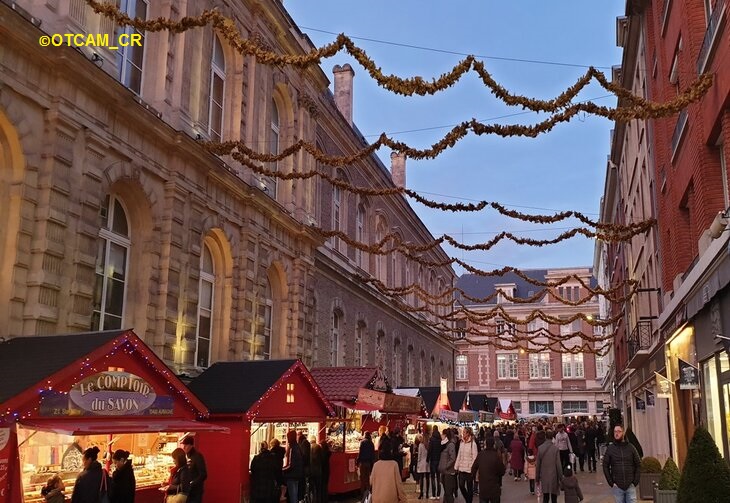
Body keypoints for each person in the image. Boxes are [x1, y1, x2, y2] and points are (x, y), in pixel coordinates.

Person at [602, 424, 640, 503]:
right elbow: (605, 465)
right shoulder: (611, 449)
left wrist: (635, 481)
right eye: (615, 431)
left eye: (619, 431)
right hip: (618, 486)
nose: (617, 433)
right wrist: (611, 482)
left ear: (623, 433)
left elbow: (638, 464)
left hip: (630, 485)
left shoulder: (631, 447)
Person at [470, 436, 505, 503]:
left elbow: (474, 467)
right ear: (494, 444)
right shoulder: (496, 456)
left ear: (485, 444)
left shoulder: (481, 455)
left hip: (483, 487)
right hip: (494, 487)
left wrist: (474, 477)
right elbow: (502, 471)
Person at [536, 430, 562, 503]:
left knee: (545, 497)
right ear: (552, 437)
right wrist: (561, 478)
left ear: (545, 437)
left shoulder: (540, 448)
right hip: (554, 476)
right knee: (554, 498)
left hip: (544, 476)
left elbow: (538, 465)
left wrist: (537, 478)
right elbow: (558, 465)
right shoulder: (555, 449)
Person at [454, 426, 478, 503]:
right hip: (461, 468)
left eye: (464, 432)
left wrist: (473, 469)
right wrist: (456, 466)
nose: (462, 433)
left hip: (469, 470)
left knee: (469, 487)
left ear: (468, 434)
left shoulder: (473, 444)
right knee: (461, 486)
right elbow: (459, 455)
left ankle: (469, 501)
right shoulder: (461, 443)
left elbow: (475, 458)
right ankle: (468, 499)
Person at [181, 436, 207, 503]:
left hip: (195, 491)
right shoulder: (186, 456)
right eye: (183, 445)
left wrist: (192, 483)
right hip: (187, 491)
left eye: (186, 445)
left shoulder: (197, 456)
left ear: (191, 445)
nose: (184, 447)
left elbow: (203, 474)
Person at [282, 430, 303, 503]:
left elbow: (292, 465)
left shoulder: (293, 448)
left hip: (292, 475)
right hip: (297, 474)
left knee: (293, 496)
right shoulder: (297, 447)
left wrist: (283, 470)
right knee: (295, 495)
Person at [437, 428, 457, 503]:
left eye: (443, 434)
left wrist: (446, 466)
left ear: (446, 435)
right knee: (446, 492)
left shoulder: (451, 445)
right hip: (444, 472)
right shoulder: (444, 444)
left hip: (449, 472)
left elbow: (452, 458)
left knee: (448, 493)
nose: (441, 436)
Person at [356, 431, 375, 498]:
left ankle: (362, 494)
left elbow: (360, 453)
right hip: (369, 463)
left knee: (362, 479)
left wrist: (357, 462)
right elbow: (373, 454)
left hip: (363, 463)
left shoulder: (363, 442)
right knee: (367, 478)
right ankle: (368, 493)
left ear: (364, 435)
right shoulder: (371, 443)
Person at [427, 427, 442, 500]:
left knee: (433, 478)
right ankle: (438, 494)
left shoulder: (432, 440)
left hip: (433, 461)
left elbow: (430, 450)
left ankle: (433, 494)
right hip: (439, 460)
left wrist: (427, 459)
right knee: (438, 478)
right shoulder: (440, 440)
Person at [416, 434, 430, 499]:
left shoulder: (421, 445)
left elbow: (419, 455)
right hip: (428, 463)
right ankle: (427, 493)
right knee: (427, 479)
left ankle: (421, 493)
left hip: (421, 463)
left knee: (421, 478)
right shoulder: (428, 445)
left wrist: (418, 464)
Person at [319, 438, 331, 503]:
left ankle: (323, 499)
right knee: (325, 486)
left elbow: (322, 461)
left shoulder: (323, 453)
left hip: (323, 470)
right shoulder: (328, 452)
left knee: (322, 486)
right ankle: (325, 499)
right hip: (327, 470)